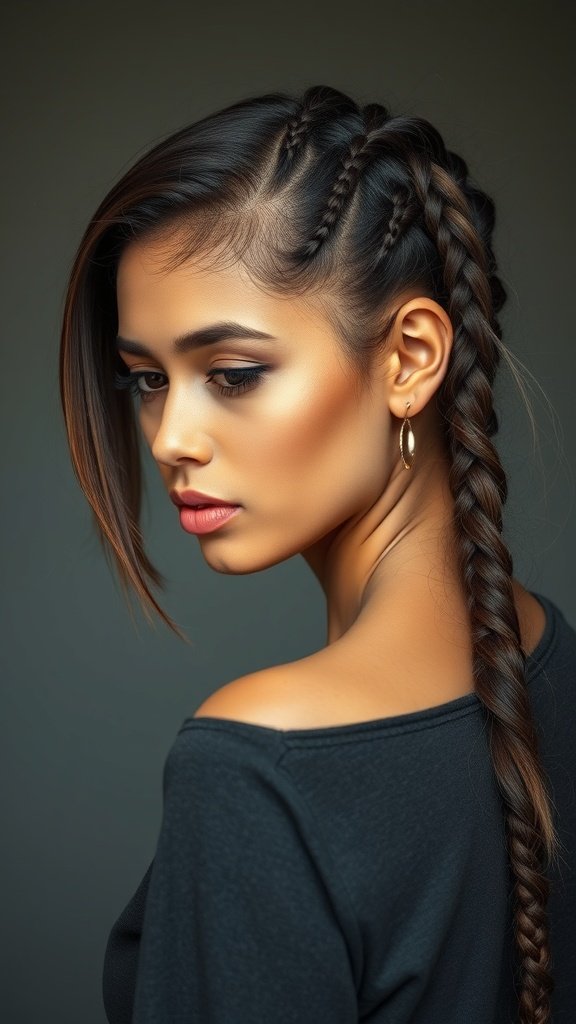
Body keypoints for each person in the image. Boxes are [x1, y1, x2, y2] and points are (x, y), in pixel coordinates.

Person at [59, 84, 575, 1024]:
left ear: (411, 357)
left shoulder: (258, 765)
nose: (170, 435)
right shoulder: (550, 654)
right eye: (145, 379)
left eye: (233, 374)